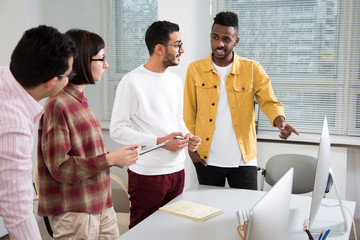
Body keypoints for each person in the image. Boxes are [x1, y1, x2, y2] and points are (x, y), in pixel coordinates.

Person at [37, 29, 140, 239]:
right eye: (101, 59)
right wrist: (108, 159)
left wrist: (113, 159)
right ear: (82, 60)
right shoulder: (58, 104)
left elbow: (85, 153)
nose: (106, 65)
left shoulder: (79, 101)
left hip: (101, 204)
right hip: (76, 211)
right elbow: (60, 168)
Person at [183, 11, 299, 190]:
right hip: (206, 157)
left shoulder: (252, 69)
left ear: (236, 41)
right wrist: (191, 150)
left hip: (244, 159)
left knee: (247, 213)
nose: (219, 44)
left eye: (226, 39)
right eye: (215, 37)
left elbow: (269, 102)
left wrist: (281, 123)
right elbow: (189, 112)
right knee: (210, 212)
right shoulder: (195, 69)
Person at [110, 20, 201, 229]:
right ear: (159, 49)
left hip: (177, 170)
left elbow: (177, 118)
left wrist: (188, 137)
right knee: (144, 231)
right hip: (148, 174)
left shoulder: (175, 81)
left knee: (171, 229)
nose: (182, 50)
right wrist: (159, 142)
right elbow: (117, 129)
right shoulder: (131, 82)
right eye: (177, 45)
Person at [0, 25, 75, 240]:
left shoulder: (6, 74)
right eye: (69, 74)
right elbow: (18, 212)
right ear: (52, 82)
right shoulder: (14, 127)